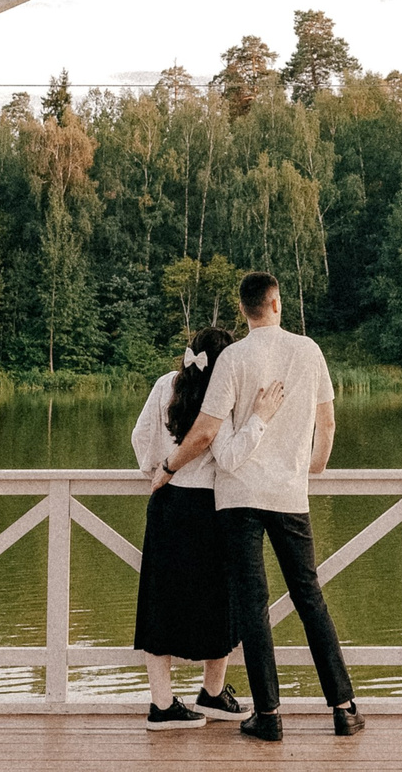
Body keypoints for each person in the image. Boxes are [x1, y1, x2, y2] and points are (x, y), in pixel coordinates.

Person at [184, 270, 362, 742]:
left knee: (253, 604)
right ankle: (343, 708)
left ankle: (268, 715)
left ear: (243, 309)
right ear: (277, 303)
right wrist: (313, 466)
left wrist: (167, 465)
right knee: (309, 597)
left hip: (238, 496)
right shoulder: (308, 350)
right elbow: (327, 423)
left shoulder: (233, 358)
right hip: (288, 493)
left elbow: (208, 427)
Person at [130, 327, 247, 728]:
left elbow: (141, 436)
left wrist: (157, 467)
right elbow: (228, 452)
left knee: (160, 600)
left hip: (167, 501)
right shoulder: (226, 392)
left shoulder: (165, 383)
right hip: (213, 505)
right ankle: (212, 693)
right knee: (222, 599)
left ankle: (162, 704)